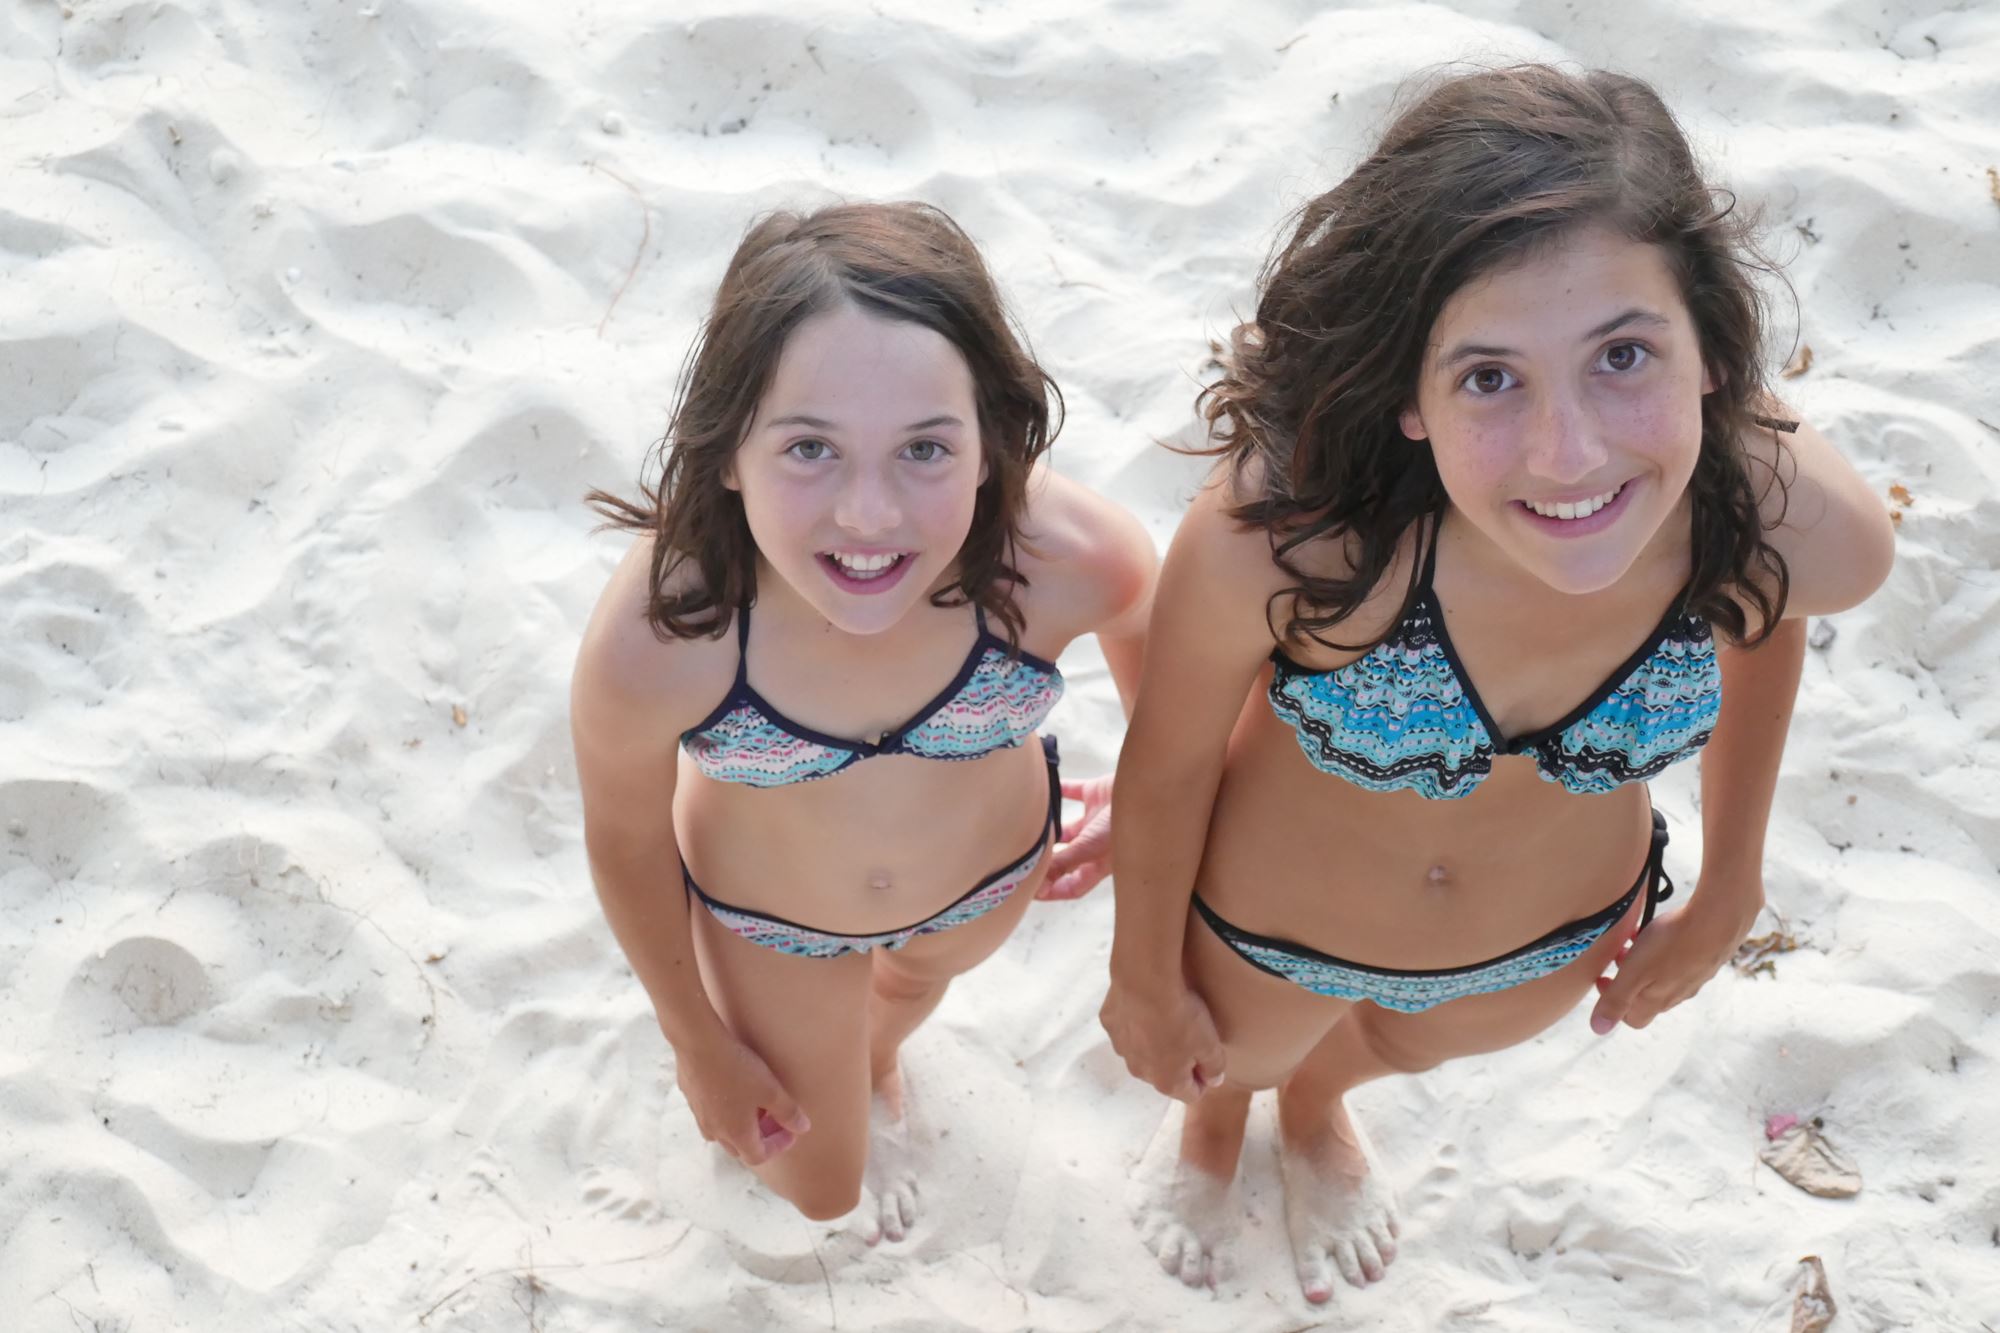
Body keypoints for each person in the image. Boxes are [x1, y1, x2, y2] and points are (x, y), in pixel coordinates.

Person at [1099, 65, 1895, 1303]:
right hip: (1263, 938)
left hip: (1538, 951)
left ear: (1709, 355)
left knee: (1387, 1050)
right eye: (1486, 376)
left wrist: (1730, 885)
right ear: (1404, 394)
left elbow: (1765, 611)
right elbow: (1166, 768)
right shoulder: (1301, 536)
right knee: (1231, 1061)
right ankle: (1218, 1121)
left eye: (1621, 353)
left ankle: (1314, 1107)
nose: (1566, 451)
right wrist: (1142, 977)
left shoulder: (1758, 524)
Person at [571, 202, 1153, 1241]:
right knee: (820, 1188)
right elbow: (625, 841)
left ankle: (874, 1050)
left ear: (990, 444)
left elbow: (1180, 688)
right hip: (774, 927)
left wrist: (1145, 805)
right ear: (728, 449)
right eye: (811, 448)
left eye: (924, 448)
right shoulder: (668, 635)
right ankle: (838, 1056)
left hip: (984, 891)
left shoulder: (1066, 559)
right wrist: (696, 1042)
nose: (870, 514)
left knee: (905, 995)